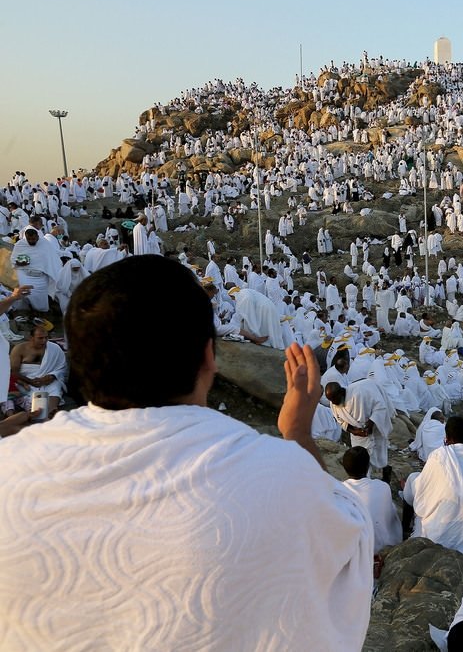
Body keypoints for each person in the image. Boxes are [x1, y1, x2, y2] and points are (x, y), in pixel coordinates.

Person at [0, 254, 373, 649]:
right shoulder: (280, 475)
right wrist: (297, 432)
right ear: (209, 358)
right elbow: (346, 544)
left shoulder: (9, 470)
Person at [402, 415, 463, 554]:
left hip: (440, 535)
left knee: (413, 479)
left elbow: (422, 489)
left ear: (447, 437)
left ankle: (405, 530)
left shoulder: (439, 456)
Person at [341, 446, 402, 555]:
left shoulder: (339, 491)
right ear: (368, 466)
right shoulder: (383, 486)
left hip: (356, 552)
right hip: (385, 547)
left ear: (344, 467)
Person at [11, 324, 67, 416]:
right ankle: (40, 413)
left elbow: (61, 367)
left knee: (56, 386)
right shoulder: (19, 349)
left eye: (46, 338)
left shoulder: (54, 348)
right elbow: (14, 372)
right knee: (27, 392)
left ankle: (51, 410)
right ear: (31, 338)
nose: (44, 341)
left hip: (47, 380)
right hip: (26, 381)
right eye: (40, 338)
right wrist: (30, 381)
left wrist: (52, 376)